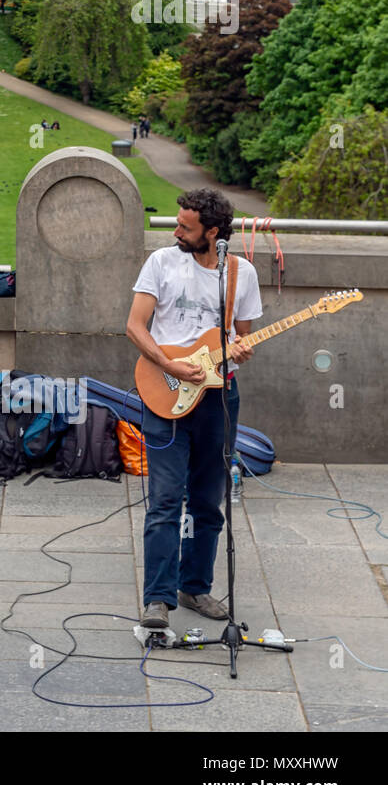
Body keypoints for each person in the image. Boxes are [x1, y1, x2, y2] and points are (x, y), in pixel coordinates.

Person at [125, 188, 261, 631]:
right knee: (165, 499)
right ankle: (157, 599)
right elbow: (134, 325)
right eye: (177, 223)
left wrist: (241, 350)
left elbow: (242, 336)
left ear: (214, 233)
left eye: (186, 226)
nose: (176, 231)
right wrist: (169, 364)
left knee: (208, 500)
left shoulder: (241, 274)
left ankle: (194, 586)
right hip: (165, 392)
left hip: (217, 399)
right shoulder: (162, 262)